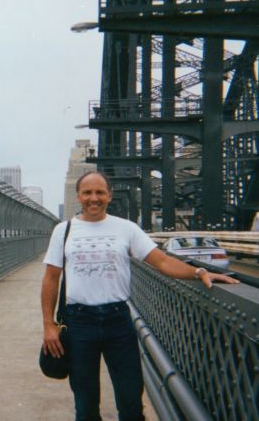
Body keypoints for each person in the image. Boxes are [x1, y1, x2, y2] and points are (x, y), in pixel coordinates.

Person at [41, 171, 239, 421]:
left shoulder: (126, 229)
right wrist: (49, 325)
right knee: (85, 404)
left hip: (118, 322)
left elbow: (163, 262)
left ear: (109, 196)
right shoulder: (63, 230)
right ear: (79, 196)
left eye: (100, 192)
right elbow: (50, 278)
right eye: (88, 192)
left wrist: (200, 271)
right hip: (79, 322)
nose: (94, 198)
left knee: (131, 401)